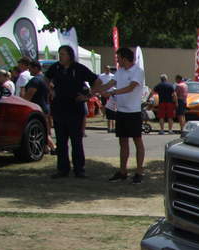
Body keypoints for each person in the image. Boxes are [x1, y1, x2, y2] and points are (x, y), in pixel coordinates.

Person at [44, 45, 97, 178]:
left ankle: (79, 169)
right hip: (59, 109)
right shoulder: (55, 67)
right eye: (59, 54)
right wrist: (51, 90)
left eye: (63, 54)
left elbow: (97, 81)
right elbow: (46, 78)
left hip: (75, 109)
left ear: (70, 56)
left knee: (76, 141)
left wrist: (88, 96)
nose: (60, 56)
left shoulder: (79, 68)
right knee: (61, 142)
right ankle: (62, 169)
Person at [102, 47, 146, 184]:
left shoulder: (138, 71)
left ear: (125, 58)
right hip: (121, 112)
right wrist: (95, 90)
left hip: (133, 112)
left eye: (118, 58)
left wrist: (113, 93)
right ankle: (123, 171)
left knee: (137, 141)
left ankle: (139, 172)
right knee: (123, 142)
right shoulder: (119, 71)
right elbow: (110, 83)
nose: (117, 61)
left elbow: (131, 87)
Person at [22, 62, 56, 154]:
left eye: (30, 69)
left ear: (36, 68)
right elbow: (51, 93)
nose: (29, 71)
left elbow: (29, 95)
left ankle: (54, 148)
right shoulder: (46, 79)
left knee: (42, 130)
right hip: (46, 106)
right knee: (46, 129)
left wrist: (22, 103)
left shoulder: (35, 81)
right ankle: (45, 149)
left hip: (37, 107)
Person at [100, 66, 117, 132]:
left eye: (108, 69)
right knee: (104, 105)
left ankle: (112, 126)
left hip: (111, 93)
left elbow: (114, 84)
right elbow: (100, 84)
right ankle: (104, 115)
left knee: (111, 107)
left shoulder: (112, 76)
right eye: (106, 69)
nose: (107, 70)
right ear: (104, 69)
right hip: (104, 93)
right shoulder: (101, 76)